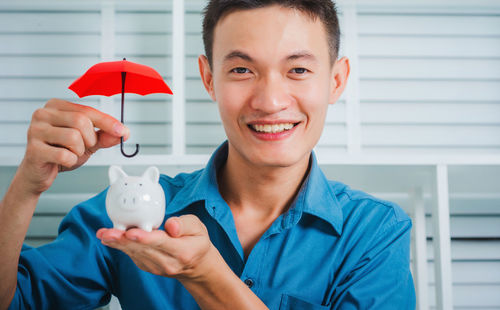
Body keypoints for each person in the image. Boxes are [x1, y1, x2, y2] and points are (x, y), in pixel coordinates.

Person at [0, 0, 416, 309]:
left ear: (336, 80)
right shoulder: (132, 210)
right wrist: (26, 186)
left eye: (298, 70)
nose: (270, 101)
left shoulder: (374, 233)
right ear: (208, 78)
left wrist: (206, 277)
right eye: (241, 70)